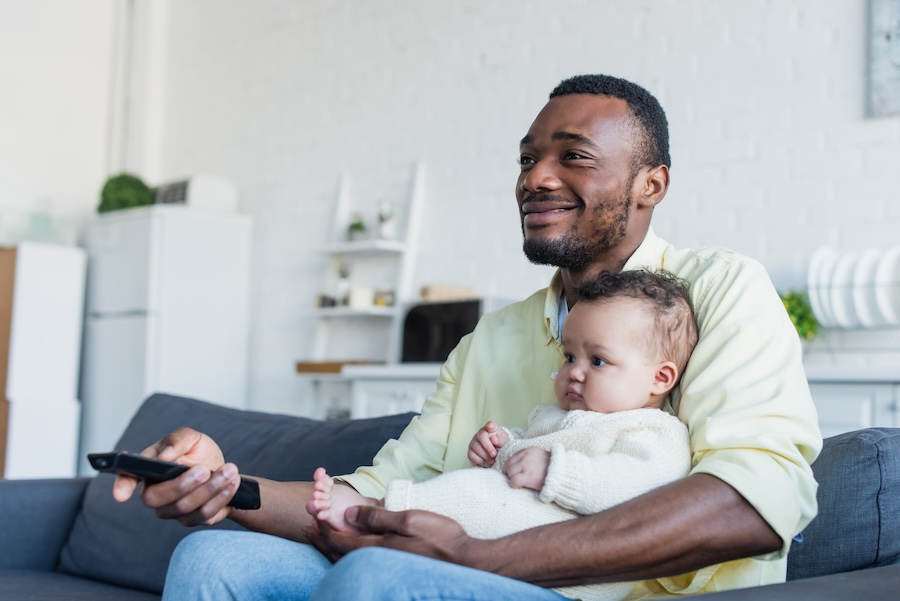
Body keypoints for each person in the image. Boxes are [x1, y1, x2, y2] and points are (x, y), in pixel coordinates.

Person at [113, 74, 822, 601]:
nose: (535, 178)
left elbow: (752, 501)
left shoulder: (722, 290)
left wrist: (475, 555)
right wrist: (226, 483)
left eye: (573, 156)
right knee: (213, 561)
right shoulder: (493, 338)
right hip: (459, 569)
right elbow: (377, 494)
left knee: (377, 575)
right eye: (526, 159)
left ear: (651, 184)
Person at [308, 268, 699, 601]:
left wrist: (556, 472)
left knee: (473, 498)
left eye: (597, 360)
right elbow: (519, 463)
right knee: (471, 487)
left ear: (659, 377)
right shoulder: (551, 416)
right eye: (569, 357)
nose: (574, 372)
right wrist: (498, 449)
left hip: (567, 586)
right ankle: (378, 512)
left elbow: (635, 489)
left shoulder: (656, 432)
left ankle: (377, 512)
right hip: (500, 558)